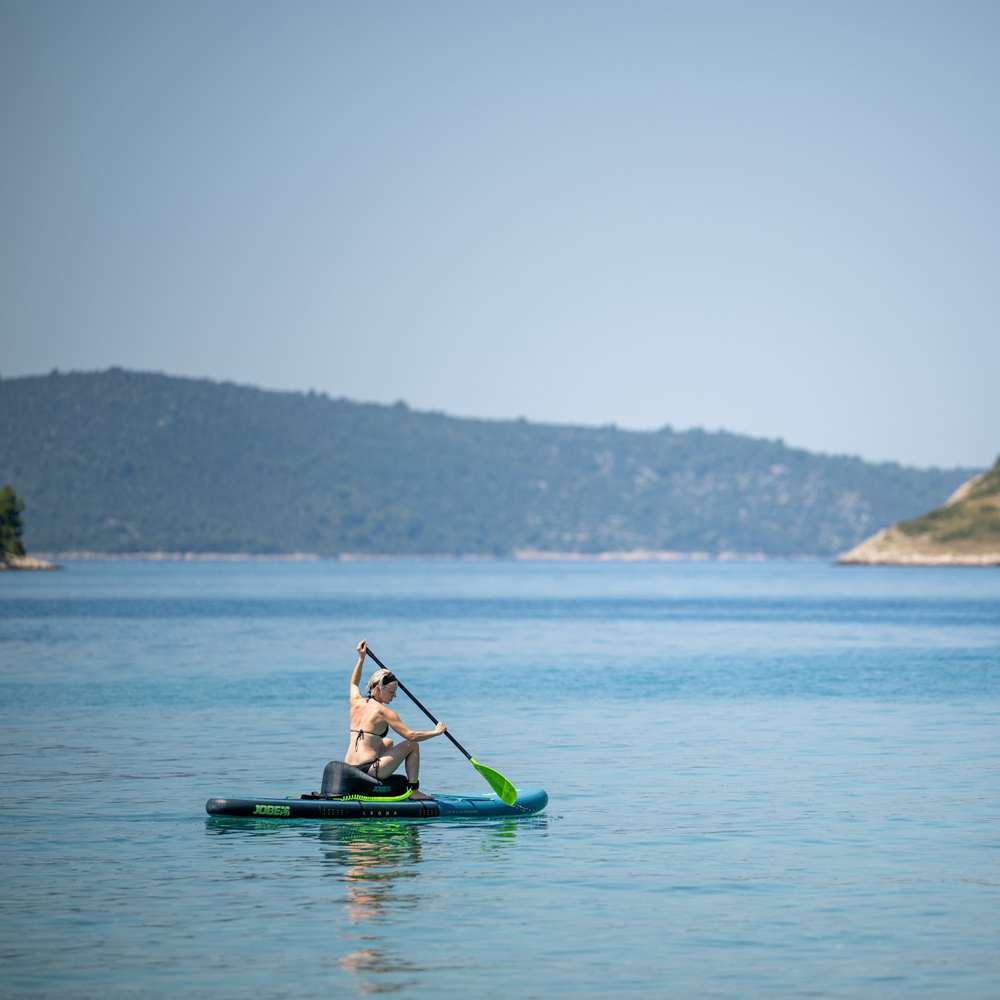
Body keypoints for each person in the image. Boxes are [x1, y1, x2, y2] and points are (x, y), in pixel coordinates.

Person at [345, 640, 445, 801]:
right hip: (370, 770)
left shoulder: (355, 702)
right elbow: (411, 736)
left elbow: (353, 683)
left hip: (349, 767)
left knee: (388, 742)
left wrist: (361, 658)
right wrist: (436, 732)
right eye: (391, 692)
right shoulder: (384, 712)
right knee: (412, 746)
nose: (395, 696)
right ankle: (414, 791)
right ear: (378, 688)